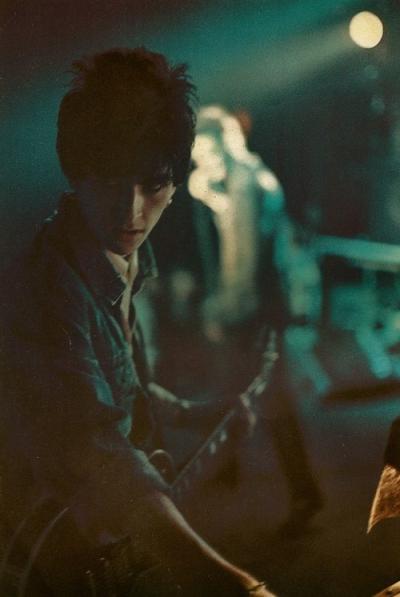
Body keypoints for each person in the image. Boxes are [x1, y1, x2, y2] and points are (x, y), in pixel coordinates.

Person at [0, 48, 275, 596]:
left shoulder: (123, 260)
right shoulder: (48, 289)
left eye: (153, 186)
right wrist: (229, 583)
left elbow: (120, 389)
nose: (130, 213)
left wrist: (199, 413)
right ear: (77, 173)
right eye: (109, 182)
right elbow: (94, 451)